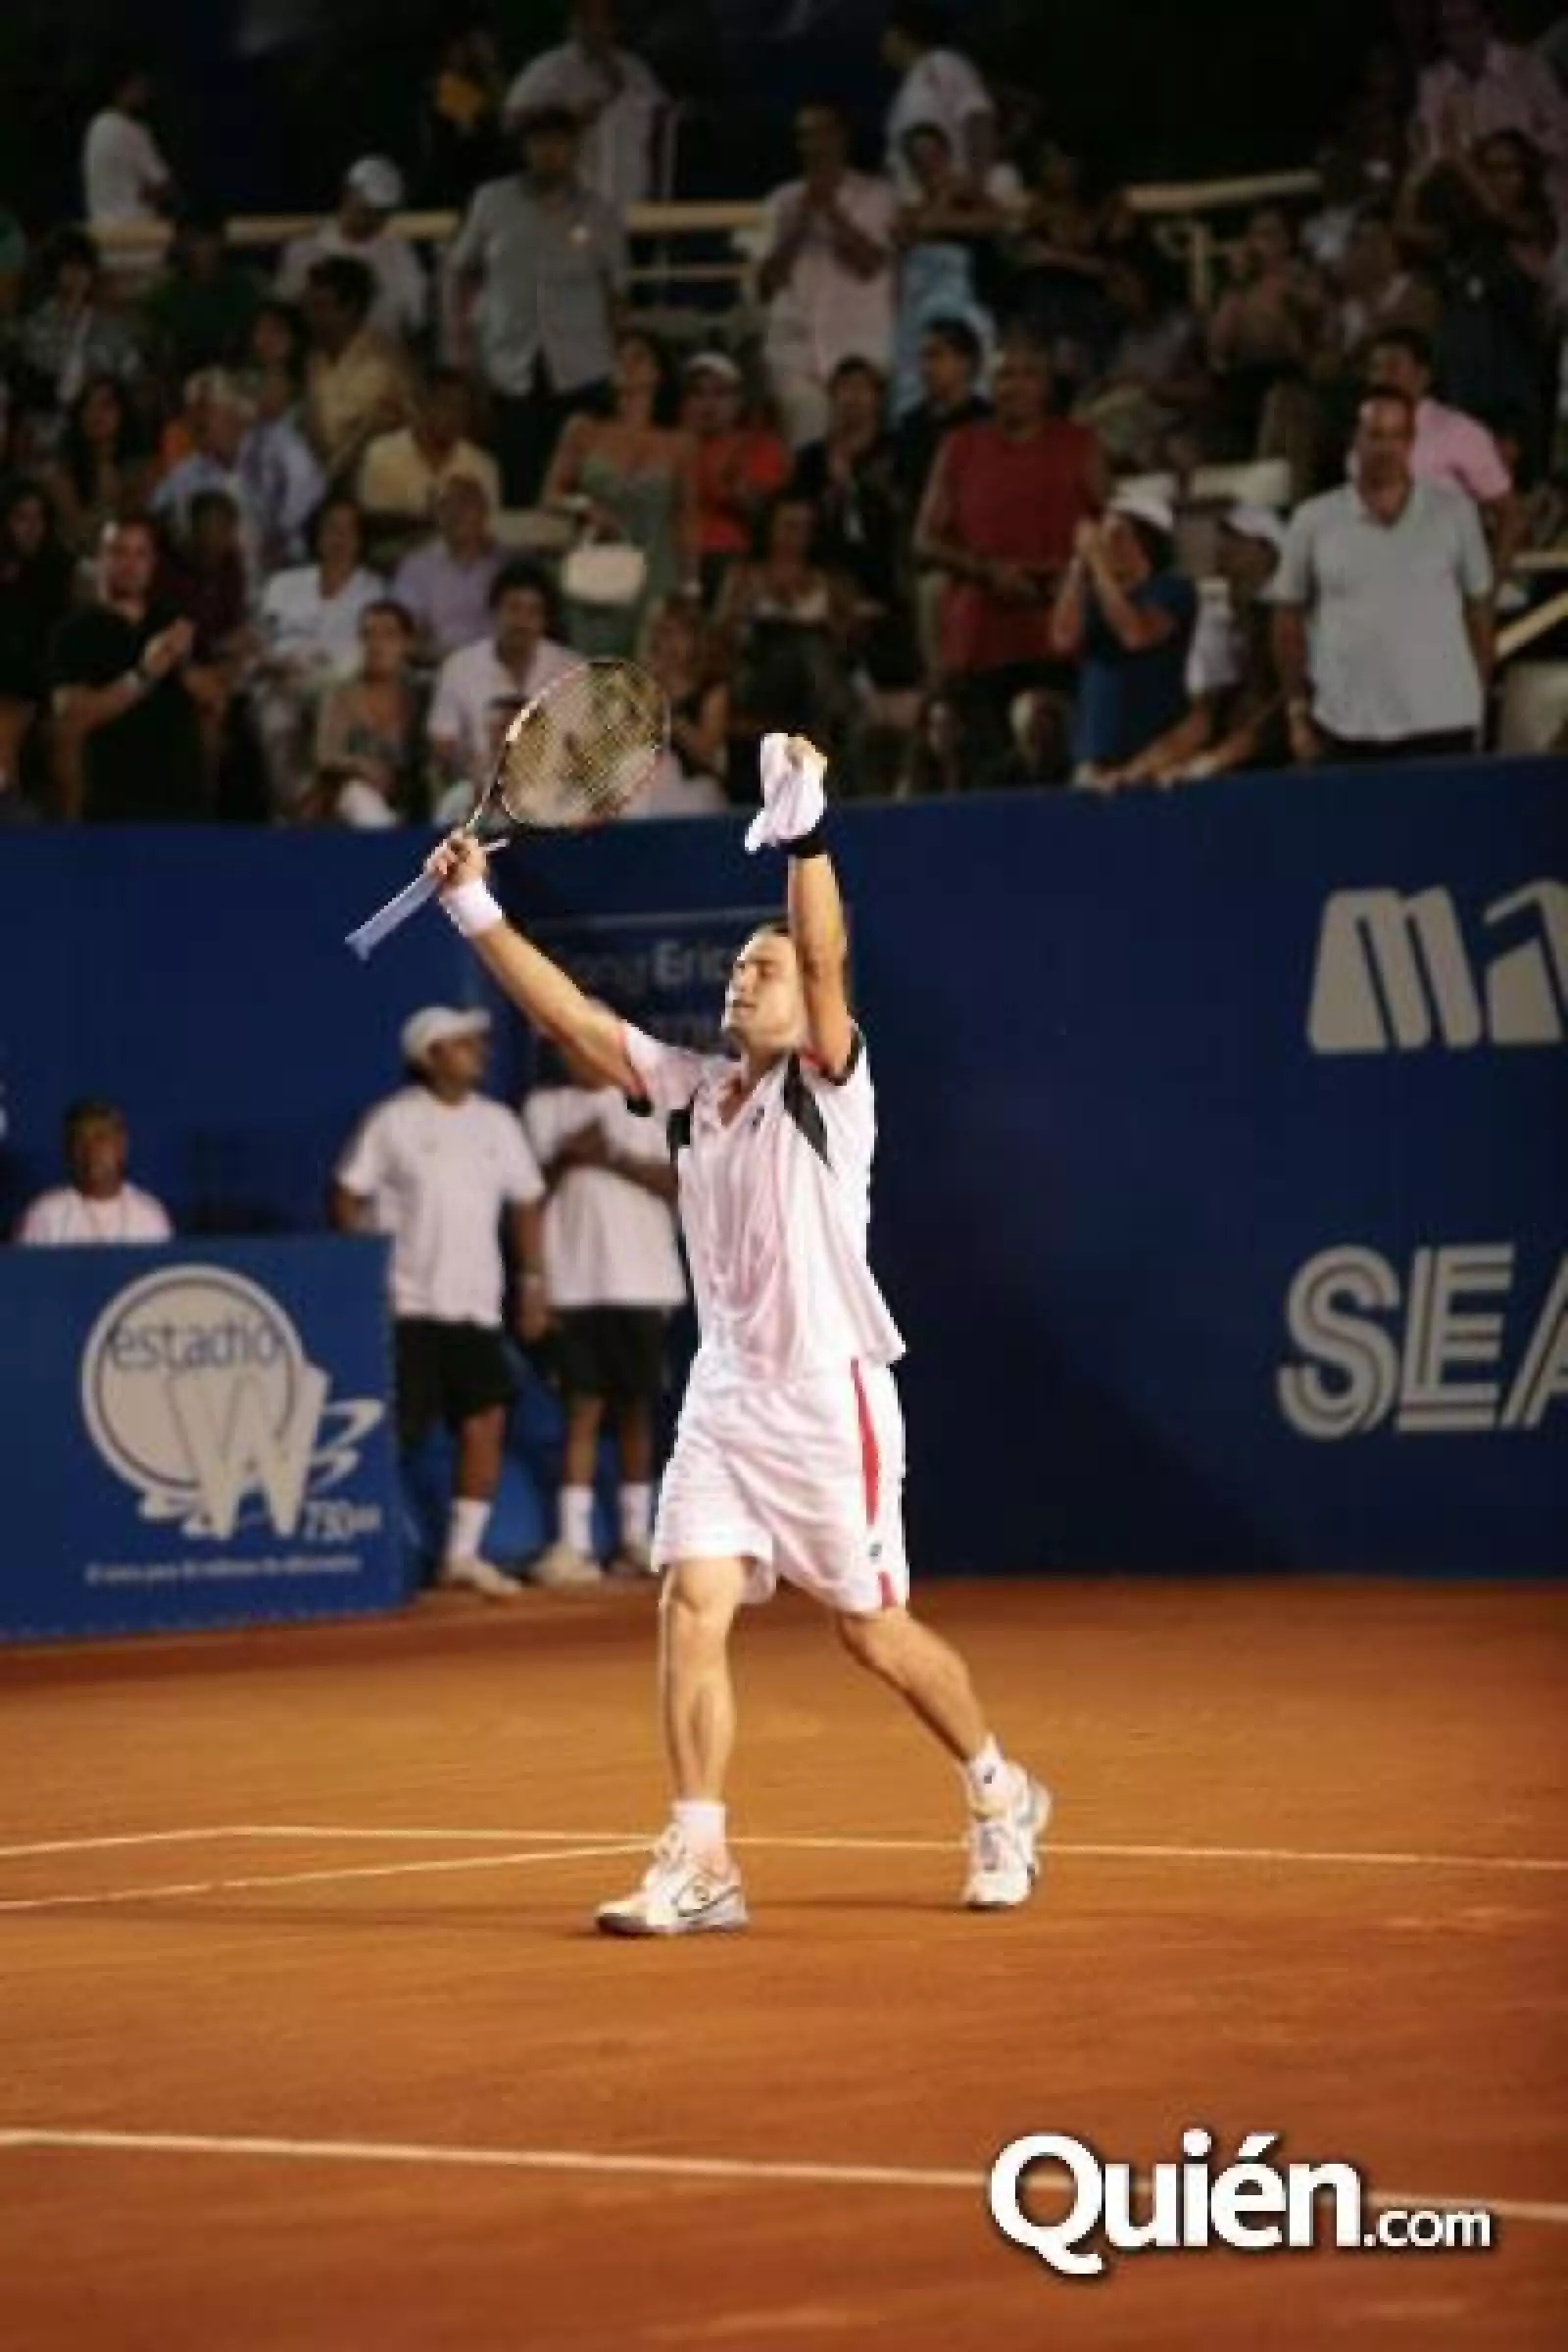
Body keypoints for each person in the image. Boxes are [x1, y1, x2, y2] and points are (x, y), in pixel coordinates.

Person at [423, 736, 1049, 1930]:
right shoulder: (694, 1093)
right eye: (734, 973)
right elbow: (577, 1023)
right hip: (725, 1395)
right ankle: (703, 1858)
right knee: (688, 1600)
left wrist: (807, 838)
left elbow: (821, 950)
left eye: (758, 972)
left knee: (871, 1633)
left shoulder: (832, 1090)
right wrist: (473, 907)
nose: (741, 982)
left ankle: (996, 1792)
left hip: (829, 1396)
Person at [332, 1006, 547, 1602]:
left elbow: (526, 1201)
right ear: (429, 1056)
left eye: (476, 1043)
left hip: (476, 1308)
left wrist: (532, 1284)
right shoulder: (392, 1122)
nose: (476, 1051)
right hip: (409, 1308)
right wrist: (364, 1277)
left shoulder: (498, 1123)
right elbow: (347, 1195)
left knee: (485, 1424)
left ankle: (459, 1556)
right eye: (461, 1043)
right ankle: (368, 1556)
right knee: (397, 1431)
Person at [523, 1033, 686, 1585]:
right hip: (572, 1285)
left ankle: (637, 1541)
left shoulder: (658, 1102)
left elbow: (683, 1182)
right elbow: (525, 1194)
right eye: (569, 1046)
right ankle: (573, 1546)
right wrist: (567, 1157)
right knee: (582, 1410)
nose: (579, 1054)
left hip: (645, 1283)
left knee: (637, 1411)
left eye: (588, 1043)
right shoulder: (544, 1110)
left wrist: (610, 1156)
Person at [1270, 388, 1494, 765]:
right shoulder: (1314, 519)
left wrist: (1479, 695)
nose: (1386, 448)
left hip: (1443, 720)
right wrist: (1296, 713)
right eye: (1375, 435)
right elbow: (1287, 619)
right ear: (1355, 439)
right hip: (1346, 724)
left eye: (1397, 436)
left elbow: (1479, 611)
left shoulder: (1455, 513)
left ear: (1411, 442)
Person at [915, 338, 1104, 748]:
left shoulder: (1079, 445)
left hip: (1059, 620)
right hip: (981, 625)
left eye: (1027, 375)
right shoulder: (960, 447)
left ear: (1047, 387)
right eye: (1004, 376)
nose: (1015, 387)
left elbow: (1113, 528)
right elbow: (925, 540)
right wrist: (987, 571)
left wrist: (1073, 575)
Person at [450, 105, 627, 506]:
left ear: (574, 148)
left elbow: (616, 290)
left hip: (584, 367)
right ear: (524, 148)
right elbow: (462, 272)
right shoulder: (491, 202)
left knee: (584, 485)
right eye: (539, 142)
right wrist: (464, 350)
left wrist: (619, 363)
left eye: (559, 142)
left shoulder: (600, 211)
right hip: (510, 366)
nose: (549, 152)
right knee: (518, 481)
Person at [542, 326, 697, 658]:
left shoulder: (679, 444)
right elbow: (551, 494)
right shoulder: (584, 429)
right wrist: (585, 506)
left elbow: (685, 518)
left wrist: (690, 586)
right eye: (621, 356)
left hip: (656, 567)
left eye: (639, 357)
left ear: (658, 373)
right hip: (597, 561)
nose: (627, 364)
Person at [49, 514, 217, 822]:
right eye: (119, 552)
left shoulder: (173, 623)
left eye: (140, 554)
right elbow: (72, 717)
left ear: (153, 563)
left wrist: (183, 665)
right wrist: (143, 675)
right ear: (99, 559)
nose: (130, 564)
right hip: (113, 805)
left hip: (183, 803)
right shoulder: (73, 633)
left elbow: (214, 697)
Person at [758, 104, 896, 451]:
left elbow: (870, 264)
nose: (812, 145)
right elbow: (768, 282)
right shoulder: (781, 201)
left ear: (841, 137)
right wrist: (800, 222)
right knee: (807, 446)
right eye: (804, 136)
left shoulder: (878, 195)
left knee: (863, 444)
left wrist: (832, 213)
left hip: (860, 345)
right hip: (797, 346)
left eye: (820, 133)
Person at [1048, 490, 1199, 786]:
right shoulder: (1094, 597)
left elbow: (1136, 635)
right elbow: (1063, 639)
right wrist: (1079, 566)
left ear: (1145, 542)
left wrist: (1099, 568)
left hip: (1152, 756)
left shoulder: (1172, 590)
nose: (1105, 545)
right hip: (1095, 755)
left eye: (1117, 535)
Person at [1364, 325, 1522, 575]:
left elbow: (1509, 517)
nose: (1382, 378)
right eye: (1375, 369)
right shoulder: (1362, 436)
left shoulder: (1460, 433)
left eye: (1393, 368)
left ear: (1423, 377)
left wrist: (1488, 592)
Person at [427, 558, 576, 791]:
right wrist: (470, 767)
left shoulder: (570, 668)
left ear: (545, 620)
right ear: (494, 612)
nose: (522, 622)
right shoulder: (459, 667)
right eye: (514, 608)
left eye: (533, 612)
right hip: (479, 788)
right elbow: (442, 744)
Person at [502, 0, 666, 211]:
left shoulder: (635, 70)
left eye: (604, 20)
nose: (596, 28)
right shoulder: (548, 70)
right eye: (587, 19)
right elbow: (510, 122)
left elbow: (663, 124)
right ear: (572, 23)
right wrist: (565, 118)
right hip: (571, 206)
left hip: (634, 210)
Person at [277, 158, 428, 348]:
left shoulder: (400, 253)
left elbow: (416, 319)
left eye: (381, 212)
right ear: (348, 194)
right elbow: (287, 309)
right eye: (366, 209)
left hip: (382, 360)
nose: (372, 218)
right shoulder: (304, 249)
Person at [681, 350, 790, 605]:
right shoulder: (669, 447)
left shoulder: (762, 448)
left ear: (738, 401)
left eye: (720, 393)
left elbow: (768, 518)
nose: (708, 404)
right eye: (697, 393)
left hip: (729, 557)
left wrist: (736, 493)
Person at [314, 597, 425, 826]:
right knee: (359, 797)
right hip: (351, 797)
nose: (376, 644)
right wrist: (361, 767)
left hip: (411, 798)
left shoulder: (421, 694)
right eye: (368, 635)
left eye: (388, 635)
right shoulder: (342, 694)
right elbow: (325, 754)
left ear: (408, 643)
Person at [301, 257, 412, 481]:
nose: (311, 317)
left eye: (321, 307)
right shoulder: (315, 360)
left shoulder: (384, 363)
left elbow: (385, 432)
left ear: (350, 308)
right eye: (309, 307)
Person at [358, 368, 501, 533]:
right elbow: (372, 528)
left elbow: (489, 535)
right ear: (422, 406)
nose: (454, 416)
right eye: (445, 404)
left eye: (461, 408)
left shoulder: (482, 466)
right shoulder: (381, 456)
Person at [16, 1099, 172, 1244]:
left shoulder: (148, 1213)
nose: (91, 1151)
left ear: (121, 1147)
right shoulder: (45, 1214)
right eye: (81, 1140)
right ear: (68, 1150)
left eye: (101, 1138)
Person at [880, 0, 997, 195]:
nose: (882, 44)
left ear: (899, 34)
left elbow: (978, 117)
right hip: (920, 211)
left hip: (956, 205)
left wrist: (976, 184)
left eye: (885, 35)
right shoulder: (901, 97)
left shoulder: (944, 63)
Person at [391, 473, 502, 661]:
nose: (456, 513)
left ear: (484, 511)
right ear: (436, 515)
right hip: (434, 666)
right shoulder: (416, 566)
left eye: (465, 504)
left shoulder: (509, 564)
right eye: (445, 506)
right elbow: (401, 634)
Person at [82, 58, 173, 231]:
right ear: (127, 87)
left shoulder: (95, 127)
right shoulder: (133, 131)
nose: (147, 93)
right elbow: (164, 187)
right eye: (142, 87)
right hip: (137, 235)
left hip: (102, 232)